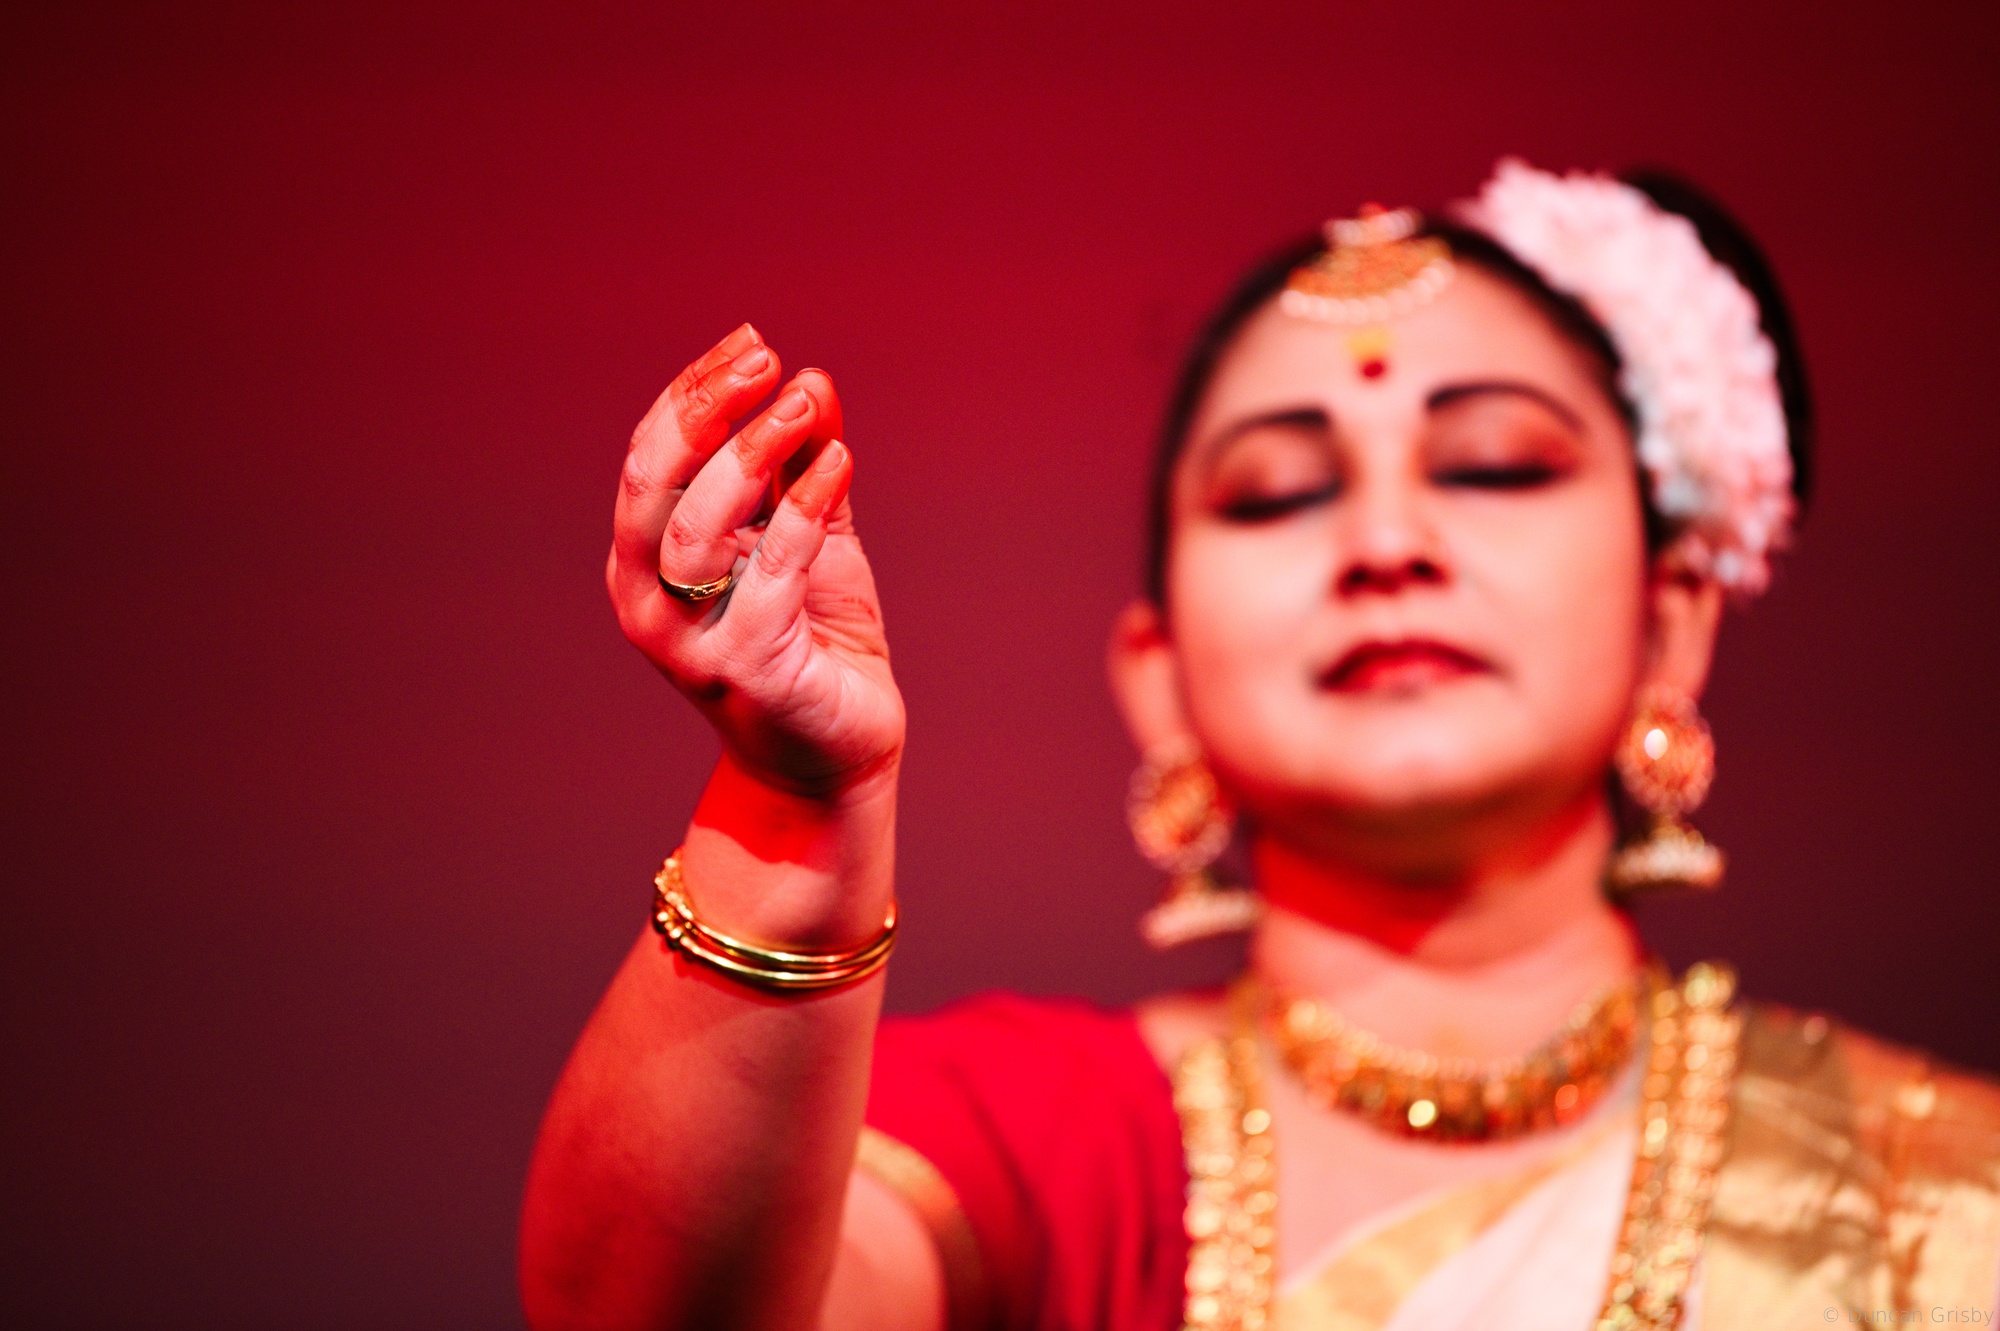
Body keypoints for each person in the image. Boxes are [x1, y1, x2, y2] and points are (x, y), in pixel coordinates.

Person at [516, 160, 2000, 1331]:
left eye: (1494, 466)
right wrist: (797, 807)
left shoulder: (1933, 1192)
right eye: (1278, 493)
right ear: (1158, 682)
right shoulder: (1046, 1148)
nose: (1387, 542)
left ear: (1672, 622)